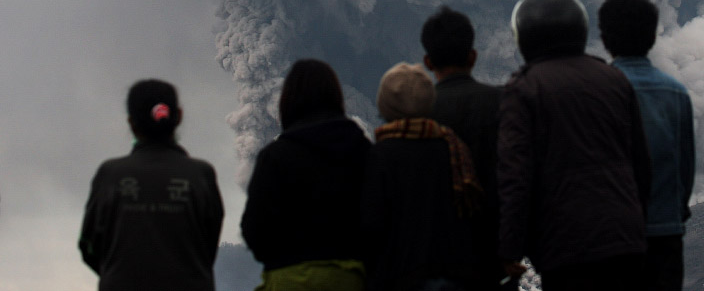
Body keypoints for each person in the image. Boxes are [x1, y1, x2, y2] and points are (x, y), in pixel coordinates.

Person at [498, 0, 651, 291]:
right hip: (626, 239)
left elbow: (516, 178)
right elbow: (642, 166)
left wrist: (508, 252)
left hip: (567, 246)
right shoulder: (613, 78)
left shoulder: (525, 89)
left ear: (525, 38)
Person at [79, 79, 224, 291]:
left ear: (130, 122)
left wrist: (120, 272)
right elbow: (208, 242)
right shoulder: (201, 175)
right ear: (179, 116)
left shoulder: (109, 175)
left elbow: (89, 245)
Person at [241, 59, 371, 290]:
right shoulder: (364, 151)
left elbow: (254, 229)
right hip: (352, 278)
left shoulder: (274, 157)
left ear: (287, 102)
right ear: (336, 98)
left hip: (287, 280)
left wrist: (282, 261)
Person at [598, 0, 695, 291]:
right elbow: (686, 169)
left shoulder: (595, 92)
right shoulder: (676, 93)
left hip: (610, 235)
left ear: (605, 37)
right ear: (652, 37)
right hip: (664, 232)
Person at [362, 63, 484, 291]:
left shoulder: (376, 158)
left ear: (384, 107)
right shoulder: (455, 151)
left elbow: (370, 226)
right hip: (453, 277)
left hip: (396, 277)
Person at [421, 6, 505, 291]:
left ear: (428, 61)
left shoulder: (416, 117)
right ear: (473, 56)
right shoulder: (503, 105)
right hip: (492, 257)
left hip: (432, 260)